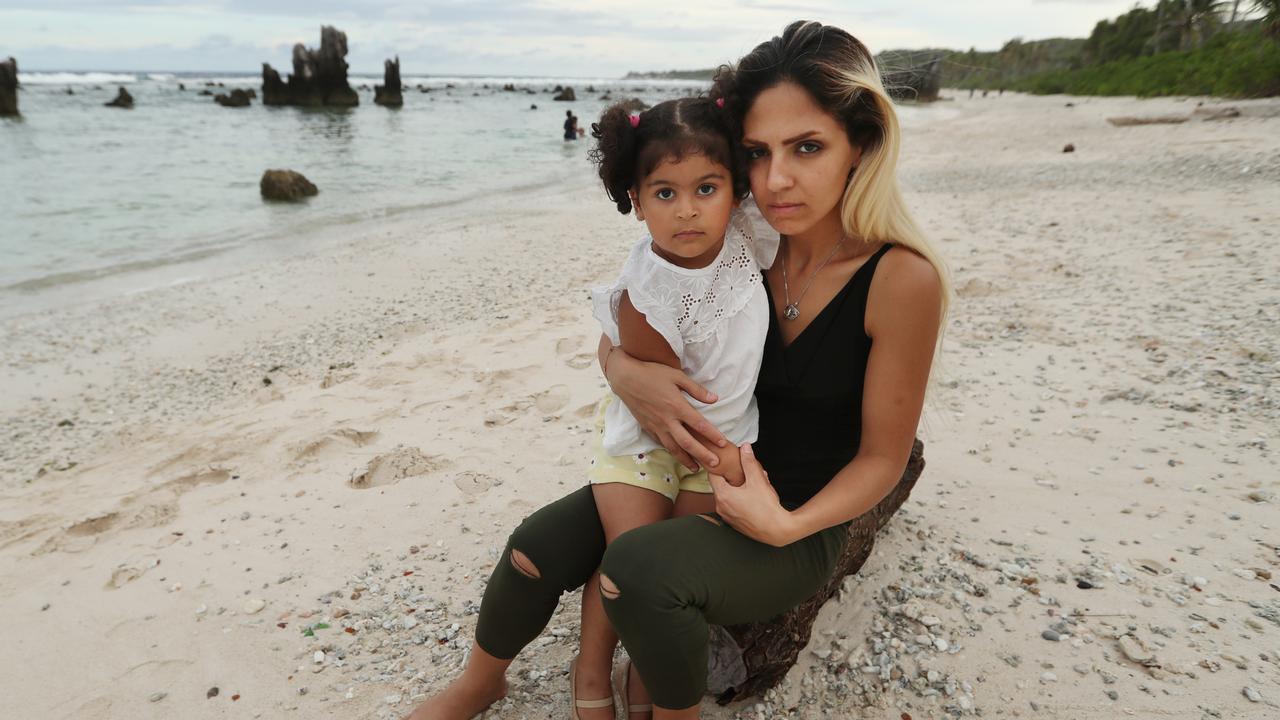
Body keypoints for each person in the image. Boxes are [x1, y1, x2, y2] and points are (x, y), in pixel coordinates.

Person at [406, 19, 950, 720]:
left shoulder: (899, 278)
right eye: (757, 152)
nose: (777, 179)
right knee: (535, 546)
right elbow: (641, 311)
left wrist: (786, 524)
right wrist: (620, 369)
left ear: (862, 145)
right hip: (693, 460)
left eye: (807, 147)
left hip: (791, 518)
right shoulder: (746, 236)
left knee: (636, 570)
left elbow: (884, 456)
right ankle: (480, 682)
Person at [571, 95, 777, 718]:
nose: (687, 210)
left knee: (672, 580)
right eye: (664, 194)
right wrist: (614, 362)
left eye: (706, 188)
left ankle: (647, 672)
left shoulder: (747, 232)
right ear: (635, 200)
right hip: (649, 444)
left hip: (722, 444)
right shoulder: (646, 293)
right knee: (628, 564)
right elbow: (661, 406)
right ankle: (589, 666)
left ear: (736, 191)